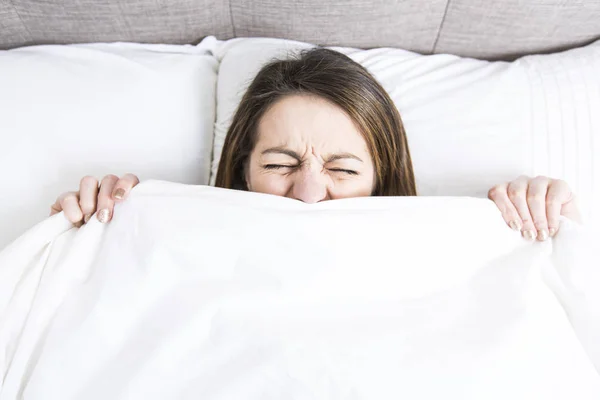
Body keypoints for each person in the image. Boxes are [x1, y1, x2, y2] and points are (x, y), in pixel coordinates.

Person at [50, 48, 580, 241]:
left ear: (382, 181)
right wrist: (103, 228)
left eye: (343, 171)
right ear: (243, 171)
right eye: (280, 163)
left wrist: (540, 218)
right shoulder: (169, 232)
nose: (308, 195)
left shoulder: (433, 248)